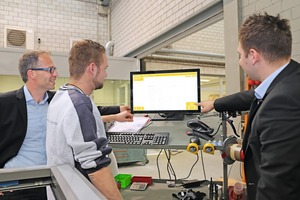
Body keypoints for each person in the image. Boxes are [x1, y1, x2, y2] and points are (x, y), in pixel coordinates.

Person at [201, 13, 300, 200]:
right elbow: (252, 96)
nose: (239, 61)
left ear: (253, 55)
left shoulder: (282, 103)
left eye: (240, 55)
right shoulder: (290, 78)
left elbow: (278, 188)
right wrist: (215, 103)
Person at [46, 39, 123, 199]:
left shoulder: (61, 96)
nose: (106, 74)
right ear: (93, 68)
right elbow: (95, 168)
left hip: (61, 189)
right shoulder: (79, 104)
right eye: (105, 68)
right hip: (80, 192)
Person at [0, 50, 58, 200]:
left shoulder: (57, 101)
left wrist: (117, 112)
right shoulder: (5, 103)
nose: (55, 74)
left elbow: (86, 110)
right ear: (31, 74)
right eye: (50, 69)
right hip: (15, 186)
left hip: (50, 183)